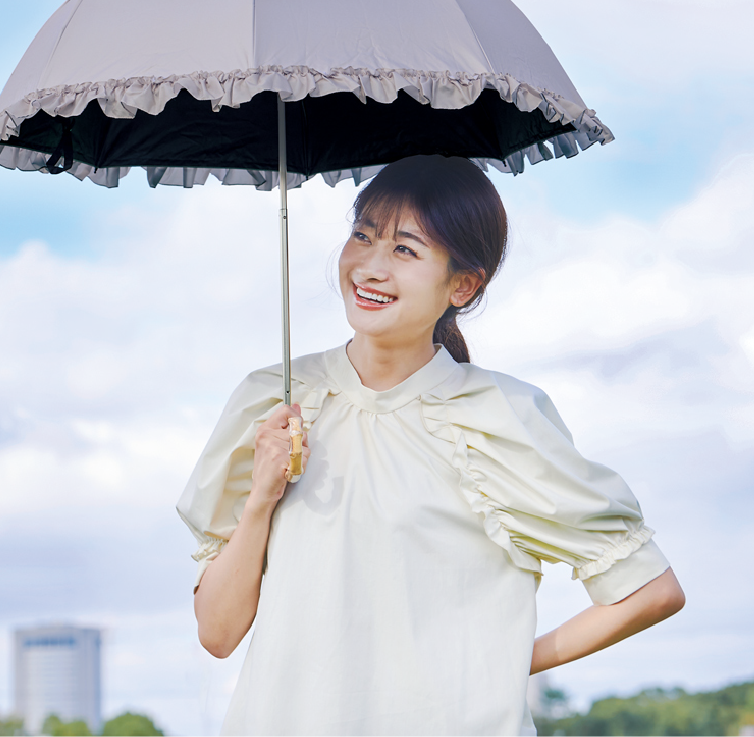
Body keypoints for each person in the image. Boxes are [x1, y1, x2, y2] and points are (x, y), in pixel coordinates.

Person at [176, 155, 685, 737]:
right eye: (362, 236)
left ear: (463, 284)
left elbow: (650, 590)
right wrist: (262, 499)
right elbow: (217, 634)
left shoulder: (500, 418)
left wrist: (510, 663)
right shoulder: (274, 401)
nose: (370, 267)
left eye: (405, 250)